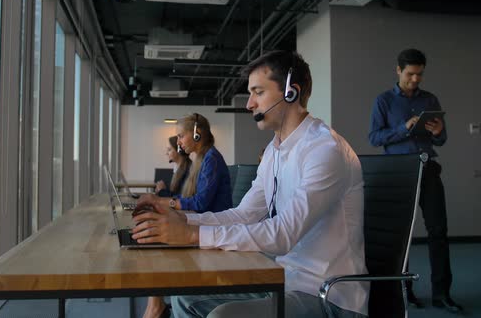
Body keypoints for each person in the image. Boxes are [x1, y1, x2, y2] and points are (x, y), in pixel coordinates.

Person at [132, 50, 369, 318]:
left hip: (328, 295)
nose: (249, 104)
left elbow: (283, 234)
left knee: (223, 317)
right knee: (184, 296)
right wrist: (181, 221)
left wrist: (191, 235)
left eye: (258, 92)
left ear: (291, 92)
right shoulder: (273, 152)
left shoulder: (325, 149)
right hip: (281, 279)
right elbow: (244, 215)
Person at [368, 48, 462, 313]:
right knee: (401, 237)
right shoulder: (383, 101)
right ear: (398, 71)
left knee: (438, 232)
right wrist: (404, 128)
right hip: (399, 173)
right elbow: (375, 138)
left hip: (427, 168)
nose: (415, 79)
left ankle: (442, 294)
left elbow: (441, 140)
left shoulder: (430, 99)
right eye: (410, 74)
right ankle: (403, 292)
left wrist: (439, 131)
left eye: (419, 74)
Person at [138, 113, 233, 318]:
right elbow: (192, 200)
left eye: (181, 136)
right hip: (201, 223)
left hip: (212, 229)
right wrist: (164, 202)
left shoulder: (211, 159)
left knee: (156, 241)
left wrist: (165, 201)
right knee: (155, 236)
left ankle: (155, 308)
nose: (179, 141)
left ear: (197, 135)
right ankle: (155, 306)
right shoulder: (201, 159)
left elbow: (200, 203)